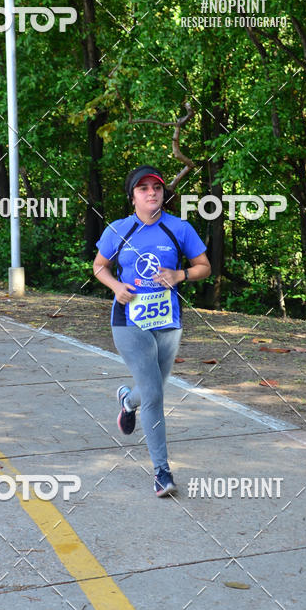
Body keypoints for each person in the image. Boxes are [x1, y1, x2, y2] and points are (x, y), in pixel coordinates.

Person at [93, 165, 211, 496]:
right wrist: (116, 286)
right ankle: (162, 471)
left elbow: (204, 266)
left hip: (168, 322)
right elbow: (99, 266)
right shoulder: (119, 230)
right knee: (156, 394)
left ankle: (128, 402)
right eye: (143, 188)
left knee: (152, 388)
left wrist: (180, 275)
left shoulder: (179, 228)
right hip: (128, 322)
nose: (151, 193)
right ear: (132, 196)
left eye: (156, 188)